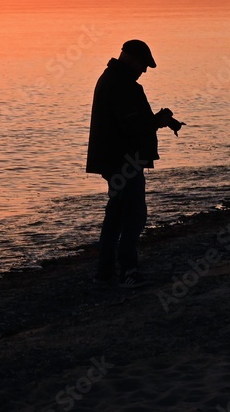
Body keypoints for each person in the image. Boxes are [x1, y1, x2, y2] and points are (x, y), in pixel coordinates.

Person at [87, 39, 182, 288]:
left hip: (113, 160)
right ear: (130, 58)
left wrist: (156, 120)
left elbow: (130, 123)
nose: (144, 71)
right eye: (143, 65)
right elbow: (133, 126)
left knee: (116, 215)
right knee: (134, 216)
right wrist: (158, 121)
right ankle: (128, 271)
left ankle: (104, 272)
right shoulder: (121, 85)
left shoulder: (111, 80)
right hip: (125, 161)